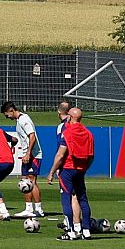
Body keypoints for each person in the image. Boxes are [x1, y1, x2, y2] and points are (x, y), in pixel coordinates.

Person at [48, 107, 95, 240]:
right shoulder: (88, 133)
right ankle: (86, 230)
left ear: (69, 117)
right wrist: (85, 168)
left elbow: (60, 155)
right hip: (81, 170)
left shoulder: (67, 133)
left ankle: (71, 231)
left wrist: (51, 171)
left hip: (67, 169)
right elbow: (91, 155)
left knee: (66, 199)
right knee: (82, 199)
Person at [3, 102, 45, 218]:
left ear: (11, 110)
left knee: (31, 181)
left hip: (33, 155)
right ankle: (29, 208)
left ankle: (38, 209)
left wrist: (28, 153)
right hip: (27, 155)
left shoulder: (23, 119)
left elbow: (32, 136)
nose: (7, 118)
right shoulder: (19, 121)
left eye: (7, 115)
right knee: (25, 181)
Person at [53, 98, 74, 233]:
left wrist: (56, 167)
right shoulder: (77, 124)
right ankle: (79, 225)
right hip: (79, 164)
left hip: (66, 165)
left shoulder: (62, 127)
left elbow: (61, 149)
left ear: (59, 112)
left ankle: (69, 223)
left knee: (66, 194)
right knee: (77, 195)